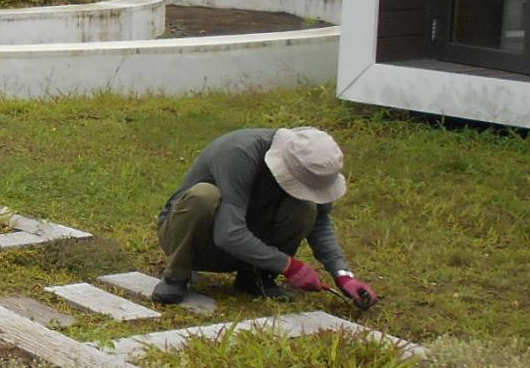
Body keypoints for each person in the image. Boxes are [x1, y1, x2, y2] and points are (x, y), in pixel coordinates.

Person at [152, 126, 377, 308]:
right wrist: (289, 266)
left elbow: (320, 221)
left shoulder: (310, 167)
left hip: (246, 242)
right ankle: (177, 274)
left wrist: (343, 274)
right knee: (204, 196)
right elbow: (228, 233)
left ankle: (256, 277)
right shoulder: (240, 153)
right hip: (196, 239)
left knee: (306, 207)